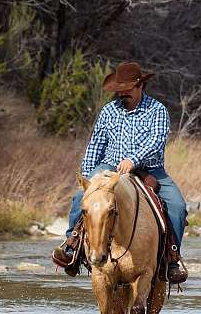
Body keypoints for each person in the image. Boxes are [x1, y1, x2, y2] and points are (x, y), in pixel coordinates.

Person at [52, 61, 188, 284]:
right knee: (81, 198)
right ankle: (72, 247)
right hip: (108, 167)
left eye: (127, 90)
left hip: (150, 168)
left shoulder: (157, 111)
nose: (122, 94)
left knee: (177, 206)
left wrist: (133, 160)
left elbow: (157, 141)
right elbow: (96, 144)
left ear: (140, 86)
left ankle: (171, 258)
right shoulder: (109, 111)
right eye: (119, 90)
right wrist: (87, 178)